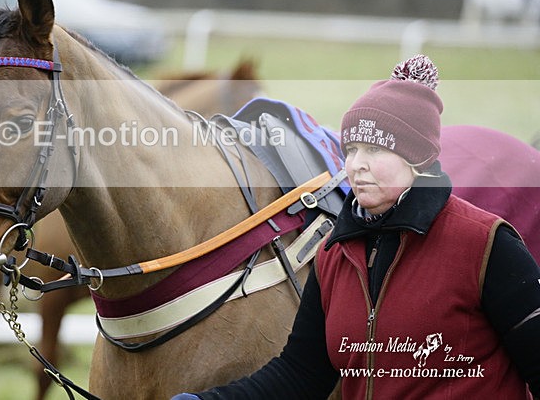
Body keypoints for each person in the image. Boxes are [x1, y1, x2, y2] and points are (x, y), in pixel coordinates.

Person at [172, 55, 540, 399]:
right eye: (351, 150)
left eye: (375, 150)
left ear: (418, 157)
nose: (356, 165)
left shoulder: (487, 245)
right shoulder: (334, 254)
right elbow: (300, 374)